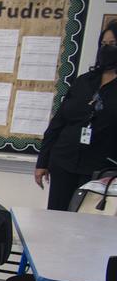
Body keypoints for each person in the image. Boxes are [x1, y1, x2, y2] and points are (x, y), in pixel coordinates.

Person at [34, 24, 117, 209]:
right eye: (103, 44)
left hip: (100, 169)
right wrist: (43, 162)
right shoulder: (84, 81)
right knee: (57, 216)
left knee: (87, 223)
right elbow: (58, 123)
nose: (107, 49)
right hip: (64, 159)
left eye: (113, 44)